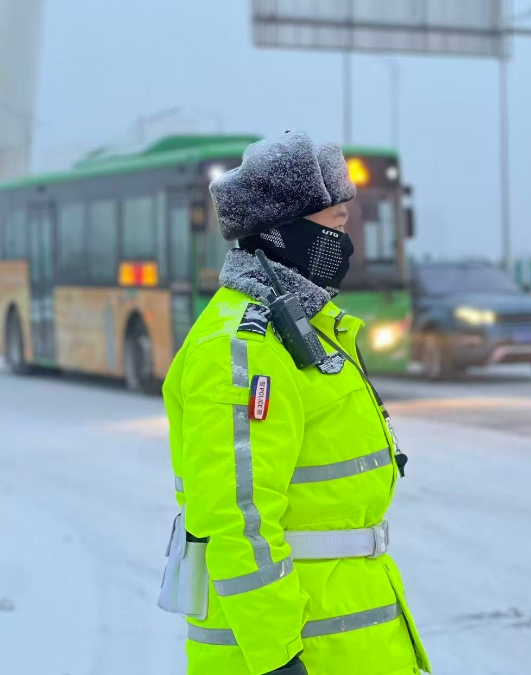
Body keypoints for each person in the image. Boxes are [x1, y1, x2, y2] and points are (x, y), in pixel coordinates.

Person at [162, 132, 430, 675]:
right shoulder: (243, 349)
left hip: (346, 642)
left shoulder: (301, 329)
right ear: (284, 232)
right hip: (298, 652)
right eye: (336, 224)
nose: (345, 242)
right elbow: (238, 520)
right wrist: (279, 659)